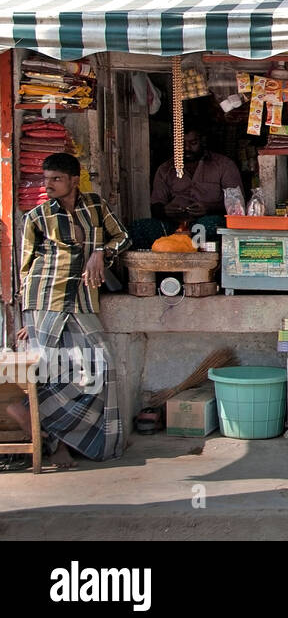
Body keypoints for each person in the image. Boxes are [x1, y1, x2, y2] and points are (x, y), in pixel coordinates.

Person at [6, 153, 131, 467]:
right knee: (51, 371)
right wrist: (26, 316)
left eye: (56, 179)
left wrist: (101, 252)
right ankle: (55, 446)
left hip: (83, 299)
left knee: (101, 367)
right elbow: (25, 269)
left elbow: (123, 237)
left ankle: (33, 414)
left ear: (74, 180)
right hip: (44, 301)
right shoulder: (37, 217)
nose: (48, 185)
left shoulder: (96, 206)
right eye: (45, 178)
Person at [151, 129, 242, 224]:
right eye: (181, 144)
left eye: (193, 143)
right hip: (175, 224)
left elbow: (237, 203)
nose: (187, 148)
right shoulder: (165, 169)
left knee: (208, 223)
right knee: (141, 226)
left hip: (211, 222)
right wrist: (165, 210)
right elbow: (156, 205)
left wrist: (209, 208)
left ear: (203, 141)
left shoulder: (224, 165)